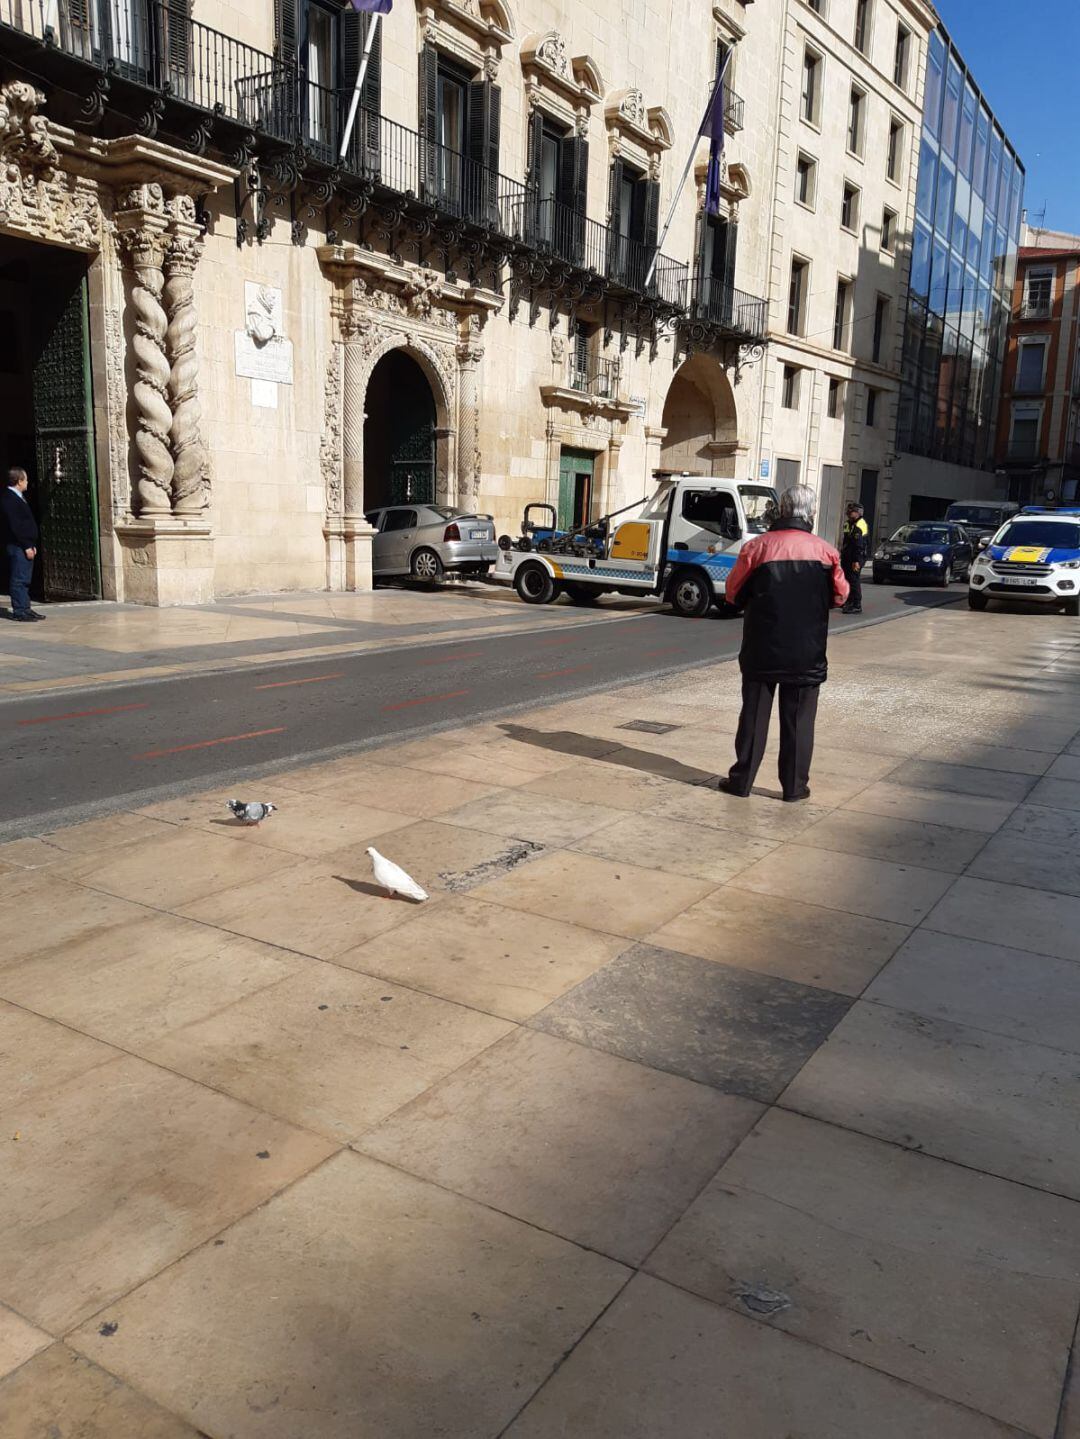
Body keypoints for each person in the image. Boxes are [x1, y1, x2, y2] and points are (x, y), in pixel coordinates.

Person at [719, 484, 848, 802]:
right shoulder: (826, 552)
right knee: (800, 721)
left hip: (762, 647)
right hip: (807, 650)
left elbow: (733, 593)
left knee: (753, 715)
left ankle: (742, 781)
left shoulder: (757, 548)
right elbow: (841, 595)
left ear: (781, 511)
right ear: (812, 514)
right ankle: (794, 787)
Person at [1, 467, 45, 623]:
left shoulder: (18, 497)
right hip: (18, 545)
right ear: (19, 481)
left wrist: (31, 543)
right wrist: (27, 545)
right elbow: (16, 525)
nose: (27, 482)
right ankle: (19, 611)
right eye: (25, 479)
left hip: (25, 544)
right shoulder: (9, 499)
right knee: (19, 579)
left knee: (25, 578)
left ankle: (25, 608)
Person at [840, 502, 869, 614]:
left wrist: (856, 561)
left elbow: (859, 544)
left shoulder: (861, 524)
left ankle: (857, 605)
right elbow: (846, 541)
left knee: (853, 579)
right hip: (848, 555)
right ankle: (849, 601)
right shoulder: (848, 523)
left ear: (858, 513)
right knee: (846, 578)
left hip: (857, 556)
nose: (848, 512)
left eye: (851, 511)